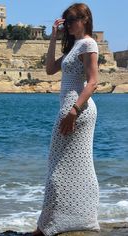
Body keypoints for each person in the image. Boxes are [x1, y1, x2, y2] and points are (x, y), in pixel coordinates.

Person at [33, 3, 100, 236]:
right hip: (70, 108)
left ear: (85, 19)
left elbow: (92, 82)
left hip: (77, 109)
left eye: (71, 20)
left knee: (59, 169)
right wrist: (53, 36)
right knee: (66, 167)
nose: (68, 24)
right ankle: (68, 220)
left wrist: (74, 110)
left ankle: (46, 227)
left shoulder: (89, 43)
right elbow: (50, 69)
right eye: (66, 20)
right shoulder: (75, 47)